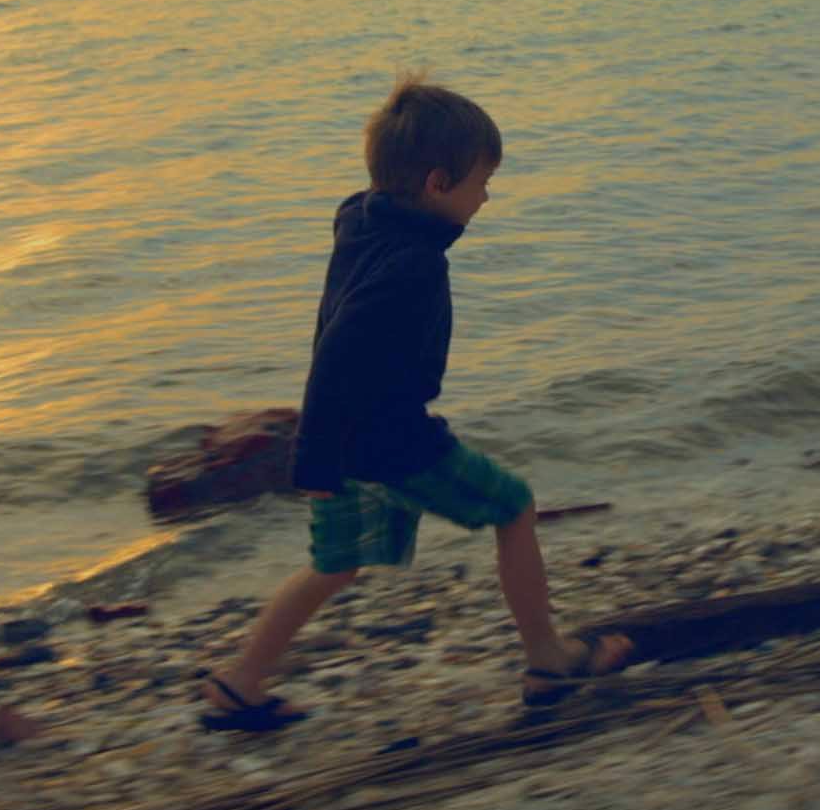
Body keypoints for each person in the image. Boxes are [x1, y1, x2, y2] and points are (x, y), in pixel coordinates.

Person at [199, 77, 634, 731]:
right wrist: (311, 461)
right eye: (482, 182)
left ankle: (239, 682)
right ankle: (548, 658)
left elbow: (339, 347)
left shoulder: (362, 219)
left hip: (349, 444)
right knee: (513, 506)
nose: (486, 197)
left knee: (334, 566)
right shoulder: (413, 263)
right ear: (437, 184)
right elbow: (338, 352)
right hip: (395, 443)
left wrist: (321, 457)